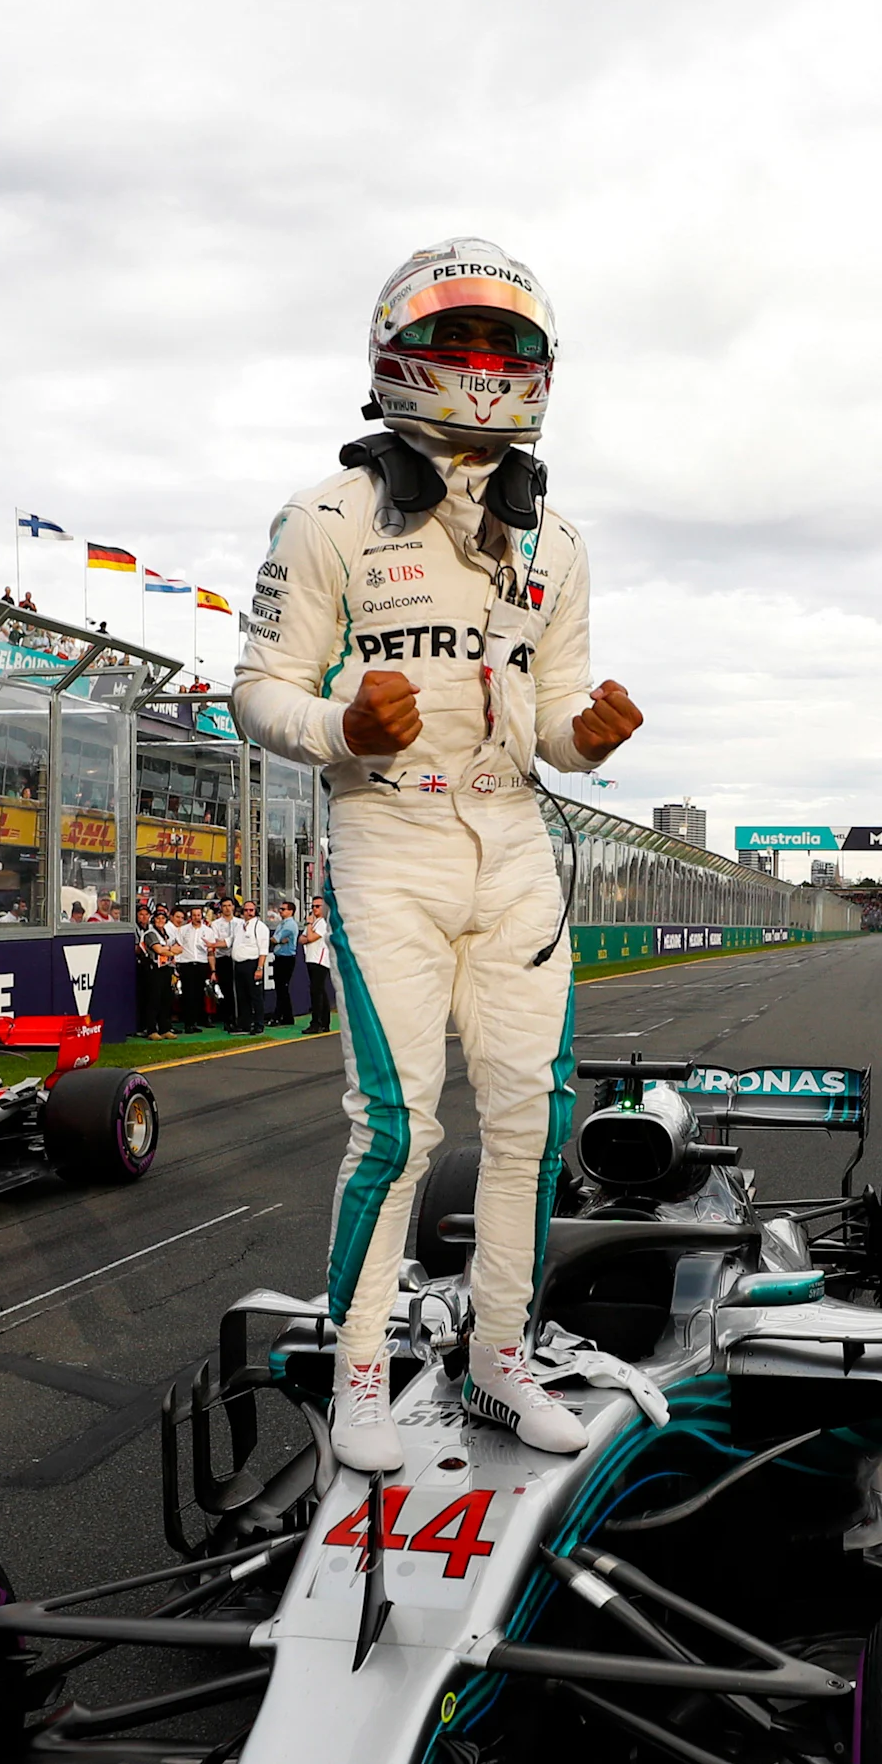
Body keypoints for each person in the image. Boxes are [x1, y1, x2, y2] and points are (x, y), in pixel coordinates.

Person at [233, 236, 642, 1470]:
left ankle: (501, 1357)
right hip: (388, 837)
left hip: (513, 842)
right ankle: (363, 1369)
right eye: (460, 341)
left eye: (507, 345)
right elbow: (255, 691)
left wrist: (590, 734)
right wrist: (339, 727)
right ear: (396, 355)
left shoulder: (556, 543)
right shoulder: (323, 518)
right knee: (399, 1128)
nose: (483, 366)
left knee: (530, 1121)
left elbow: (557, 724)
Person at [227, 901, 270, 1034]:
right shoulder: (239, 926)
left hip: (252, 964)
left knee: (256, 996)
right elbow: (229, 941)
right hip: (239, 964)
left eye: (251, 910)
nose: (249, 913)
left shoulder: (260, 927)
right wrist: (212, 944)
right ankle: (244, 1024)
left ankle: (258, 1024)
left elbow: (263, 950)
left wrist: (259, 968)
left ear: (255, 911)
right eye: (246, 910)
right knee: (242, 996)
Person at [269, 898, 304, 1030]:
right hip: (280, 957)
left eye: (283, 909)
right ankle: (288, 1016)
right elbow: (278, 939)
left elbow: (275, 939)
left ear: (291, 911)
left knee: (282, 988)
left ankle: (278, 1016)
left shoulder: (289, 925)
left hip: (286, 958)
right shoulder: (282, 924)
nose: (280, 911)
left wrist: (275, 940)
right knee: (281, 988)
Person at [302, 900, 337, 1033]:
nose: (314, 909)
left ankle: (316, 1023)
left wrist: (309, 924)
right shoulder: (314, 924)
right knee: (320, 991)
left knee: (317, 992)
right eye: (313, 906)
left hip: (320, 960)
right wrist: (309, 930)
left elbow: (310, 938)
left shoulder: (322, 923)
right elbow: (302, 938)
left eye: (317, 906)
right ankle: (324, 1023)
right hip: (311, 958)